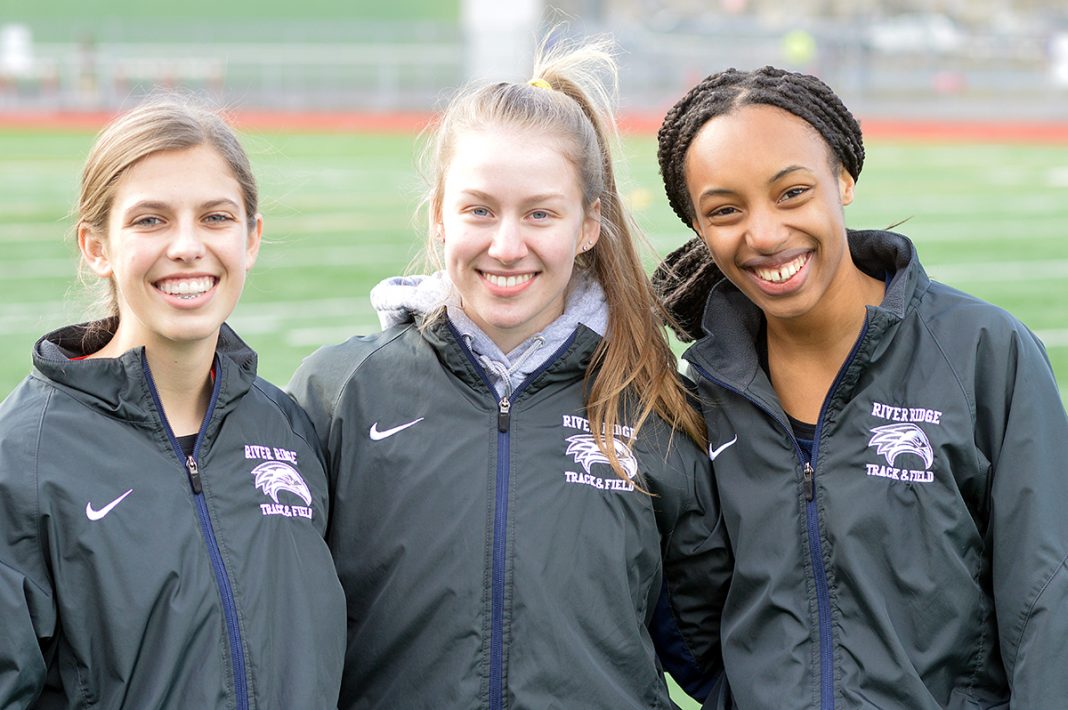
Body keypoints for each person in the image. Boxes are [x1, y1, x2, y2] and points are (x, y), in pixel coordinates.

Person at [289, 37, 729, 709]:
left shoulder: (652, 407)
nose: (506, 245)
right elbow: (275, 629)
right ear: (440, 214)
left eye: (540, 214)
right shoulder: (341, 394)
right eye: (479, 210)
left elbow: (722, 655)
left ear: (588, 226)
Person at [653, 65, 1068, 708]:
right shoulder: (703, 399)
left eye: (791, 192)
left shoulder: (984, 351)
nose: (764, 234)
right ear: (700, 229)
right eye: (725, 210)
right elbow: (692, 613)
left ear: (842, 179)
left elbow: (1047, 597)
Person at [0, 99, 346, 708]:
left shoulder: (288, 429)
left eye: (215, 217)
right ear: (95, 246)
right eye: (151, 220)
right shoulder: (25, 455)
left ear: (251, 238)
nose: (187, 246)